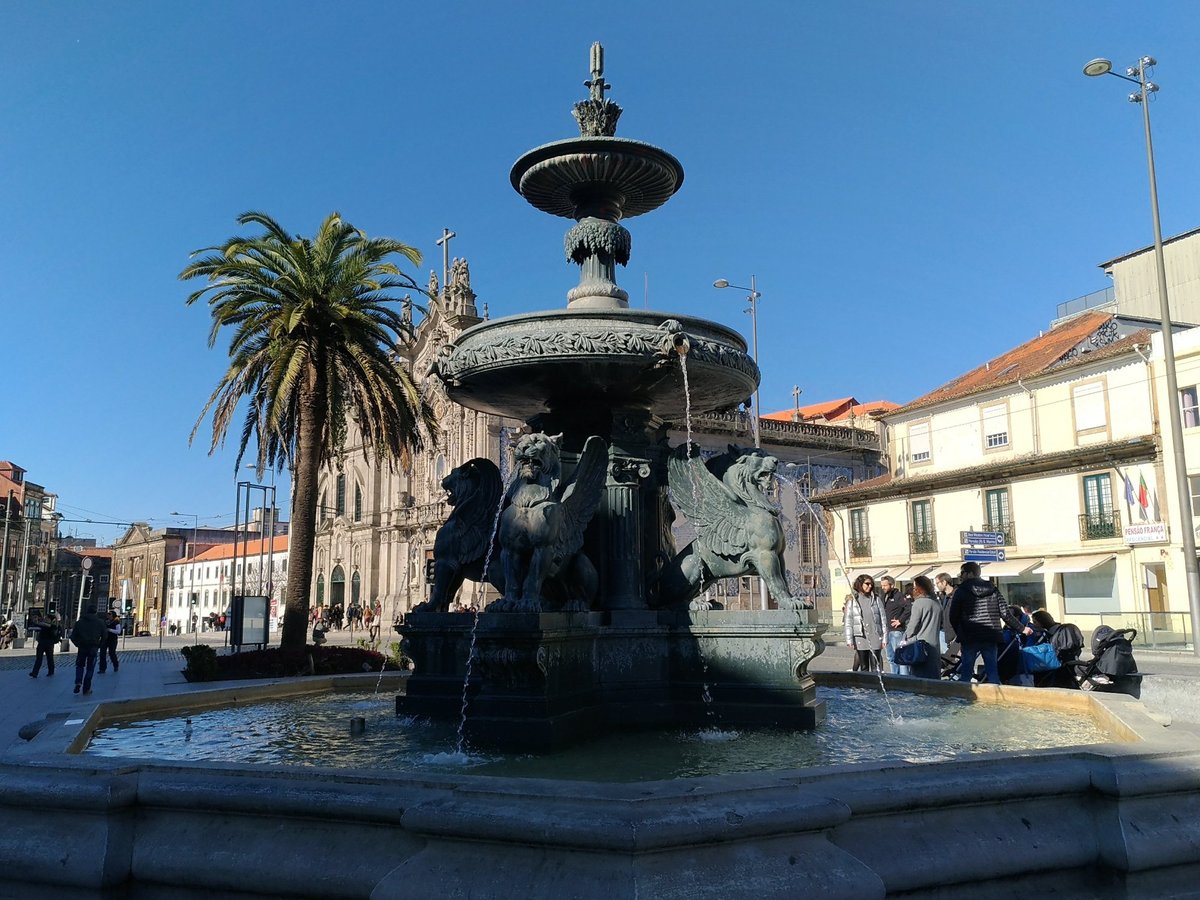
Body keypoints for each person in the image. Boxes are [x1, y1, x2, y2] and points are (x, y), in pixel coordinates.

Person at [948, 562, 1027, 684]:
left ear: (970, 574)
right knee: (992, 673)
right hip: (991, 635)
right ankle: (996, 699)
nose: (961, 576)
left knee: (966, 674)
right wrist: (1022, 628)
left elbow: (953, 616)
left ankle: (963, 701)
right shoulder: (993, 589)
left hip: (969, 636)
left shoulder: (961, 591)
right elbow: (1005, 613)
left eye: (963, 573)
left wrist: (960, 632)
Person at [899, 576, 942, 679]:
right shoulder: (937, 603)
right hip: (934, 644)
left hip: (920, 645)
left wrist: (905, 637)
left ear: (919, 588)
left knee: (919, 676)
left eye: (914, 587)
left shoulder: (918, 603)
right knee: (934, 674)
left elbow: (913, 625)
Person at [843, 574, 886, 672]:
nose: (870, 586)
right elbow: (848, 622)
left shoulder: (876, 599)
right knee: (864, 667)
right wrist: (849, 640)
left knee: (876, 667)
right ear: (860, 584)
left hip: (875, 636)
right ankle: (865, 687)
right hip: (860, 637)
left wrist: (884, 638)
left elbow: (883, 619)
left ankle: (877, 686)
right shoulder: (853, 601)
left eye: (871, 584)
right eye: (867, 584)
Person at [71, 605, 107, 695]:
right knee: (90, 668)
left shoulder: (79, 622)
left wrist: (78, 644)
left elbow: (73, 636)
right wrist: (99, 645)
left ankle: (78, 682)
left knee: (80, 665)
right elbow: (105, 636)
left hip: (82, 647)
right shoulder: (100, 622)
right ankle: (86, 689)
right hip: (93, 647)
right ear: (95, 612)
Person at [880, 576, 912, 676]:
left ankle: (904, 679)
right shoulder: (884, 596)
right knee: (890, 657)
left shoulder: (898, 596)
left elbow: (909, 608)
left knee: (900, 658)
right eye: (882, 585)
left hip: (896, 631)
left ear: (892, 585)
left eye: (885, 585)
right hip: (887, 631)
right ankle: (894, 677)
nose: (883, 587)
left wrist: (900, 620)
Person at [934, 572, 959, 656]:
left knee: (954, 660)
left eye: (937, 583)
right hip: (943, 632)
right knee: (945, 659)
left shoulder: (957, 595)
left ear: (944, 582)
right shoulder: (942, 596)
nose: (936, 586)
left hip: (954, 634)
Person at [30, 613, 62, 678]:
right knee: (40, 658)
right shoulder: (50, 625)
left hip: (48, 644)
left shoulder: (52, 626)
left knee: (49, 658)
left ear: (50, 619)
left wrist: (37, 622)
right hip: (43, 643)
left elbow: (43, 625)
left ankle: (50, 671)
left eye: (46, 618)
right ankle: (35, 673)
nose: (45, 619)